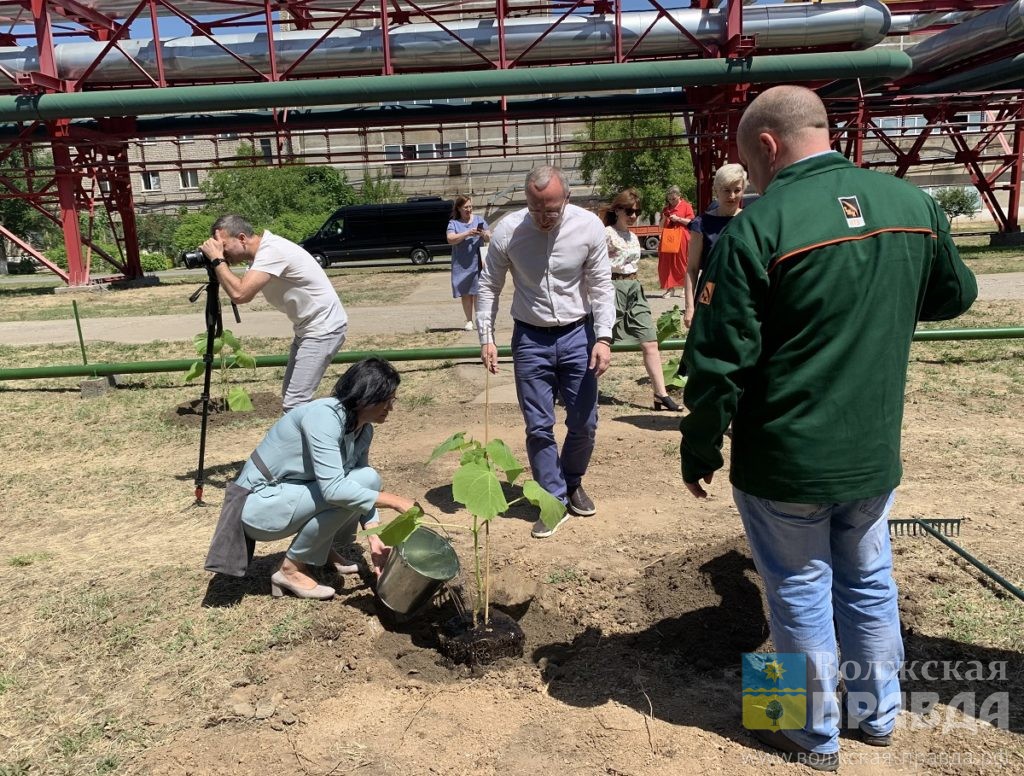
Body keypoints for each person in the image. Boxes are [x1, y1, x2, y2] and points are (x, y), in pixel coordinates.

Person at [678, 85, 977, 771]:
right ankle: (877, 717)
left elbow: (720, 359)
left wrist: (699, 447)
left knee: (796, 586)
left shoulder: (760, 225)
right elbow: (955, 294)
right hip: (872, 453)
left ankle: (809, 734)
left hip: (784, 457)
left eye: (748, 162)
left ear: (768, 146)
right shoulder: (914, 205)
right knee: (869, 579)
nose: (748, 176)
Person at [476, 165, 615, 539]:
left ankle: (572, 482)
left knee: (584, 421)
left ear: (566, 199)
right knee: (538, 426)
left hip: (578, 335)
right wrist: (486, 337)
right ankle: (552, 499)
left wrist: (603, 337)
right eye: (536, 209)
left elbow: (601, 285)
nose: (543, 218)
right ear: (527, 200)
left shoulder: (588, 227)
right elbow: (488, 285)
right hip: (530, 339)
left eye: (551, 210)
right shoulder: (508, 230)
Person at [232, 357, 415, 600]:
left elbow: (363, 482)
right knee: (346, 489)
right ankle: (290, 569)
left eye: (392, 399)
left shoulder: (363, 429)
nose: (390, 407)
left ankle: (322, 549)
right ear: (363, 397)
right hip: (258, 504)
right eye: (385, 399)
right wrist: (395, 501)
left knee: (367, 478)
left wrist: (374, 536)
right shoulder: (325, 416)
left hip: (291, 493)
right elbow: (333, 490)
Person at [201, 214, 347, 412]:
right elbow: (239, 289)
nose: (222, 252)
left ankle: (328, 434)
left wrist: (218, 260)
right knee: (291, 397)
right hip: (307, 329)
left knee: (295, 402)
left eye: (223, 246)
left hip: (323, 329)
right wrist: (218, 261)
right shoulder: (262, 255)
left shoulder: (272, 251)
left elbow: (240, 294)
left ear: (242, 238)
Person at [603, 188, 679, 411]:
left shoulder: (633, 236)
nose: (634, 215)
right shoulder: (606, 233)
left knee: (650, 341)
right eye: (629, 210)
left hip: (635, 288)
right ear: (617, 210)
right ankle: (579, 390)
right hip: (612, 287)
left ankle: (660, 394)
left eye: (637, 211)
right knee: (600, 341)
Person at [683, 163, 748, 329]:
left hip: (742, 293)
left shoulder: (750, 220)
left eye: (737, 190)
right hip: (709, 289)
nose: (732, 196)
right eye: (726, 190)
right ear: (716, 190)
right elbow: (692, 269)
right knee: (707, 337)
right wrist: (690, 307)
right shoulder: (702, 224)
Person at [446, 196, 491, 331]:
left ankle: (479, 319)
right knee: (466, 293)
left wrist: (484, 234)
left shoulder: (479, 220)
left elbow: (489, 236)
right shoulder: (453, 223)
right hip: (462, 263)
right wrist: (467, 233)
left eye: (470, 206)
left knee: (478, 292)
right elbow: (450, 239)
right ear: (459, 208)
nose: (469, 209)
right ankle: (469, 320)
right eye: (466, 207)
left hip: (478, 261)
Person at [657, 184, 694, 299]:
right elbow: (660, 227)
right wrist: (664, 217)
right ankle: (670, 289)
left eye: (674, 198)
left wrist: (678, 219)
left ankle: (684, 288)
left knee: (682, 262)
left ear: (679, 196)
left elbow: (691, 222)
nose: (671, 201)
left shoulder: (686, 206)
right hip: (668, 238)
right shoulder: (666, 209)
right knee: (666, 264)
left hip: (682, 237)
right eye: (669, 199)